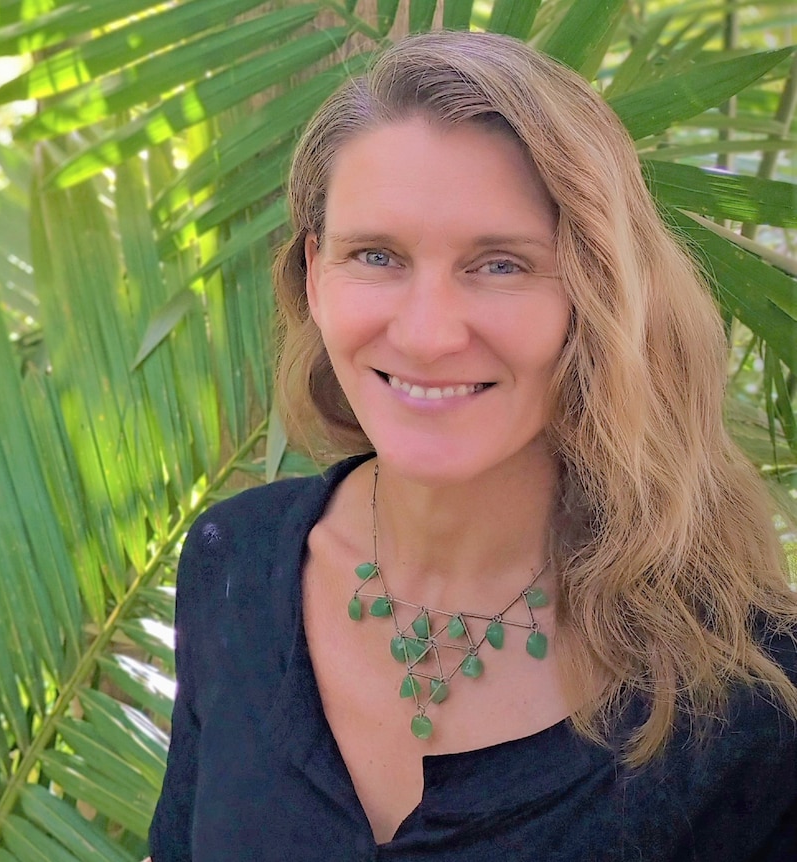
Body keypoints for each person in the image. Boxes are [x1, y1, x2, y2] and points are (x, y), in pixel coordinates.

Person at [148, 30, 797, 861]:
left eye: (499, 264)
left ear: (595, 293)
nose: (425, 334)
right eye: (375, 255)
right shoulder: (232, 560)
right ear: (315, 276)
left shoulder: (744, 692)